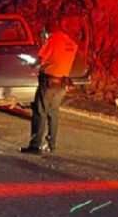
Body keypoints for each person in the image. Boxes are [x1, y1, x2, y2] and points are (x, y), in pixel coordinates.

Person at [20, 19, 77, 155]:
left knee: (40, 112)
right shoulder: (71, 43)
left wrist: (32, 64)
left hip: (49, 82)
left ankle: (35, 145)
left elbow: (40, 59)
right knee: (53, 113)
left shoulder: (53, 41)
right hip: (62, 83)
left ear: (48, 32)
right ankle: (51, 144)